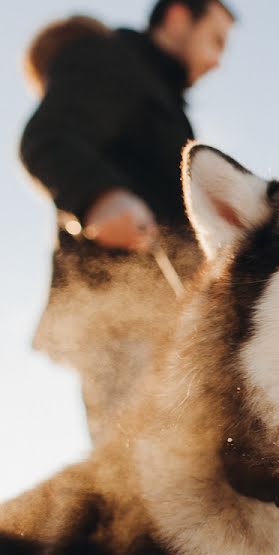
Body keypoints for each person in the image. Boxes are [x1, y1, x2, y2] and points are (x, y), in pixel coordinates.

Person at [20, 0, 236, 442]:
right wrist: (101, 197)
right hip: (121, 311)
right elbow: (47, 138)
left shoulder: (162, 98)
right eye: (215, 39)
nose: (217, 60)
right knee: (140, 464)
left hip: (174, 315)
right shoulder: (109, 59)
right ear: (178, 16)